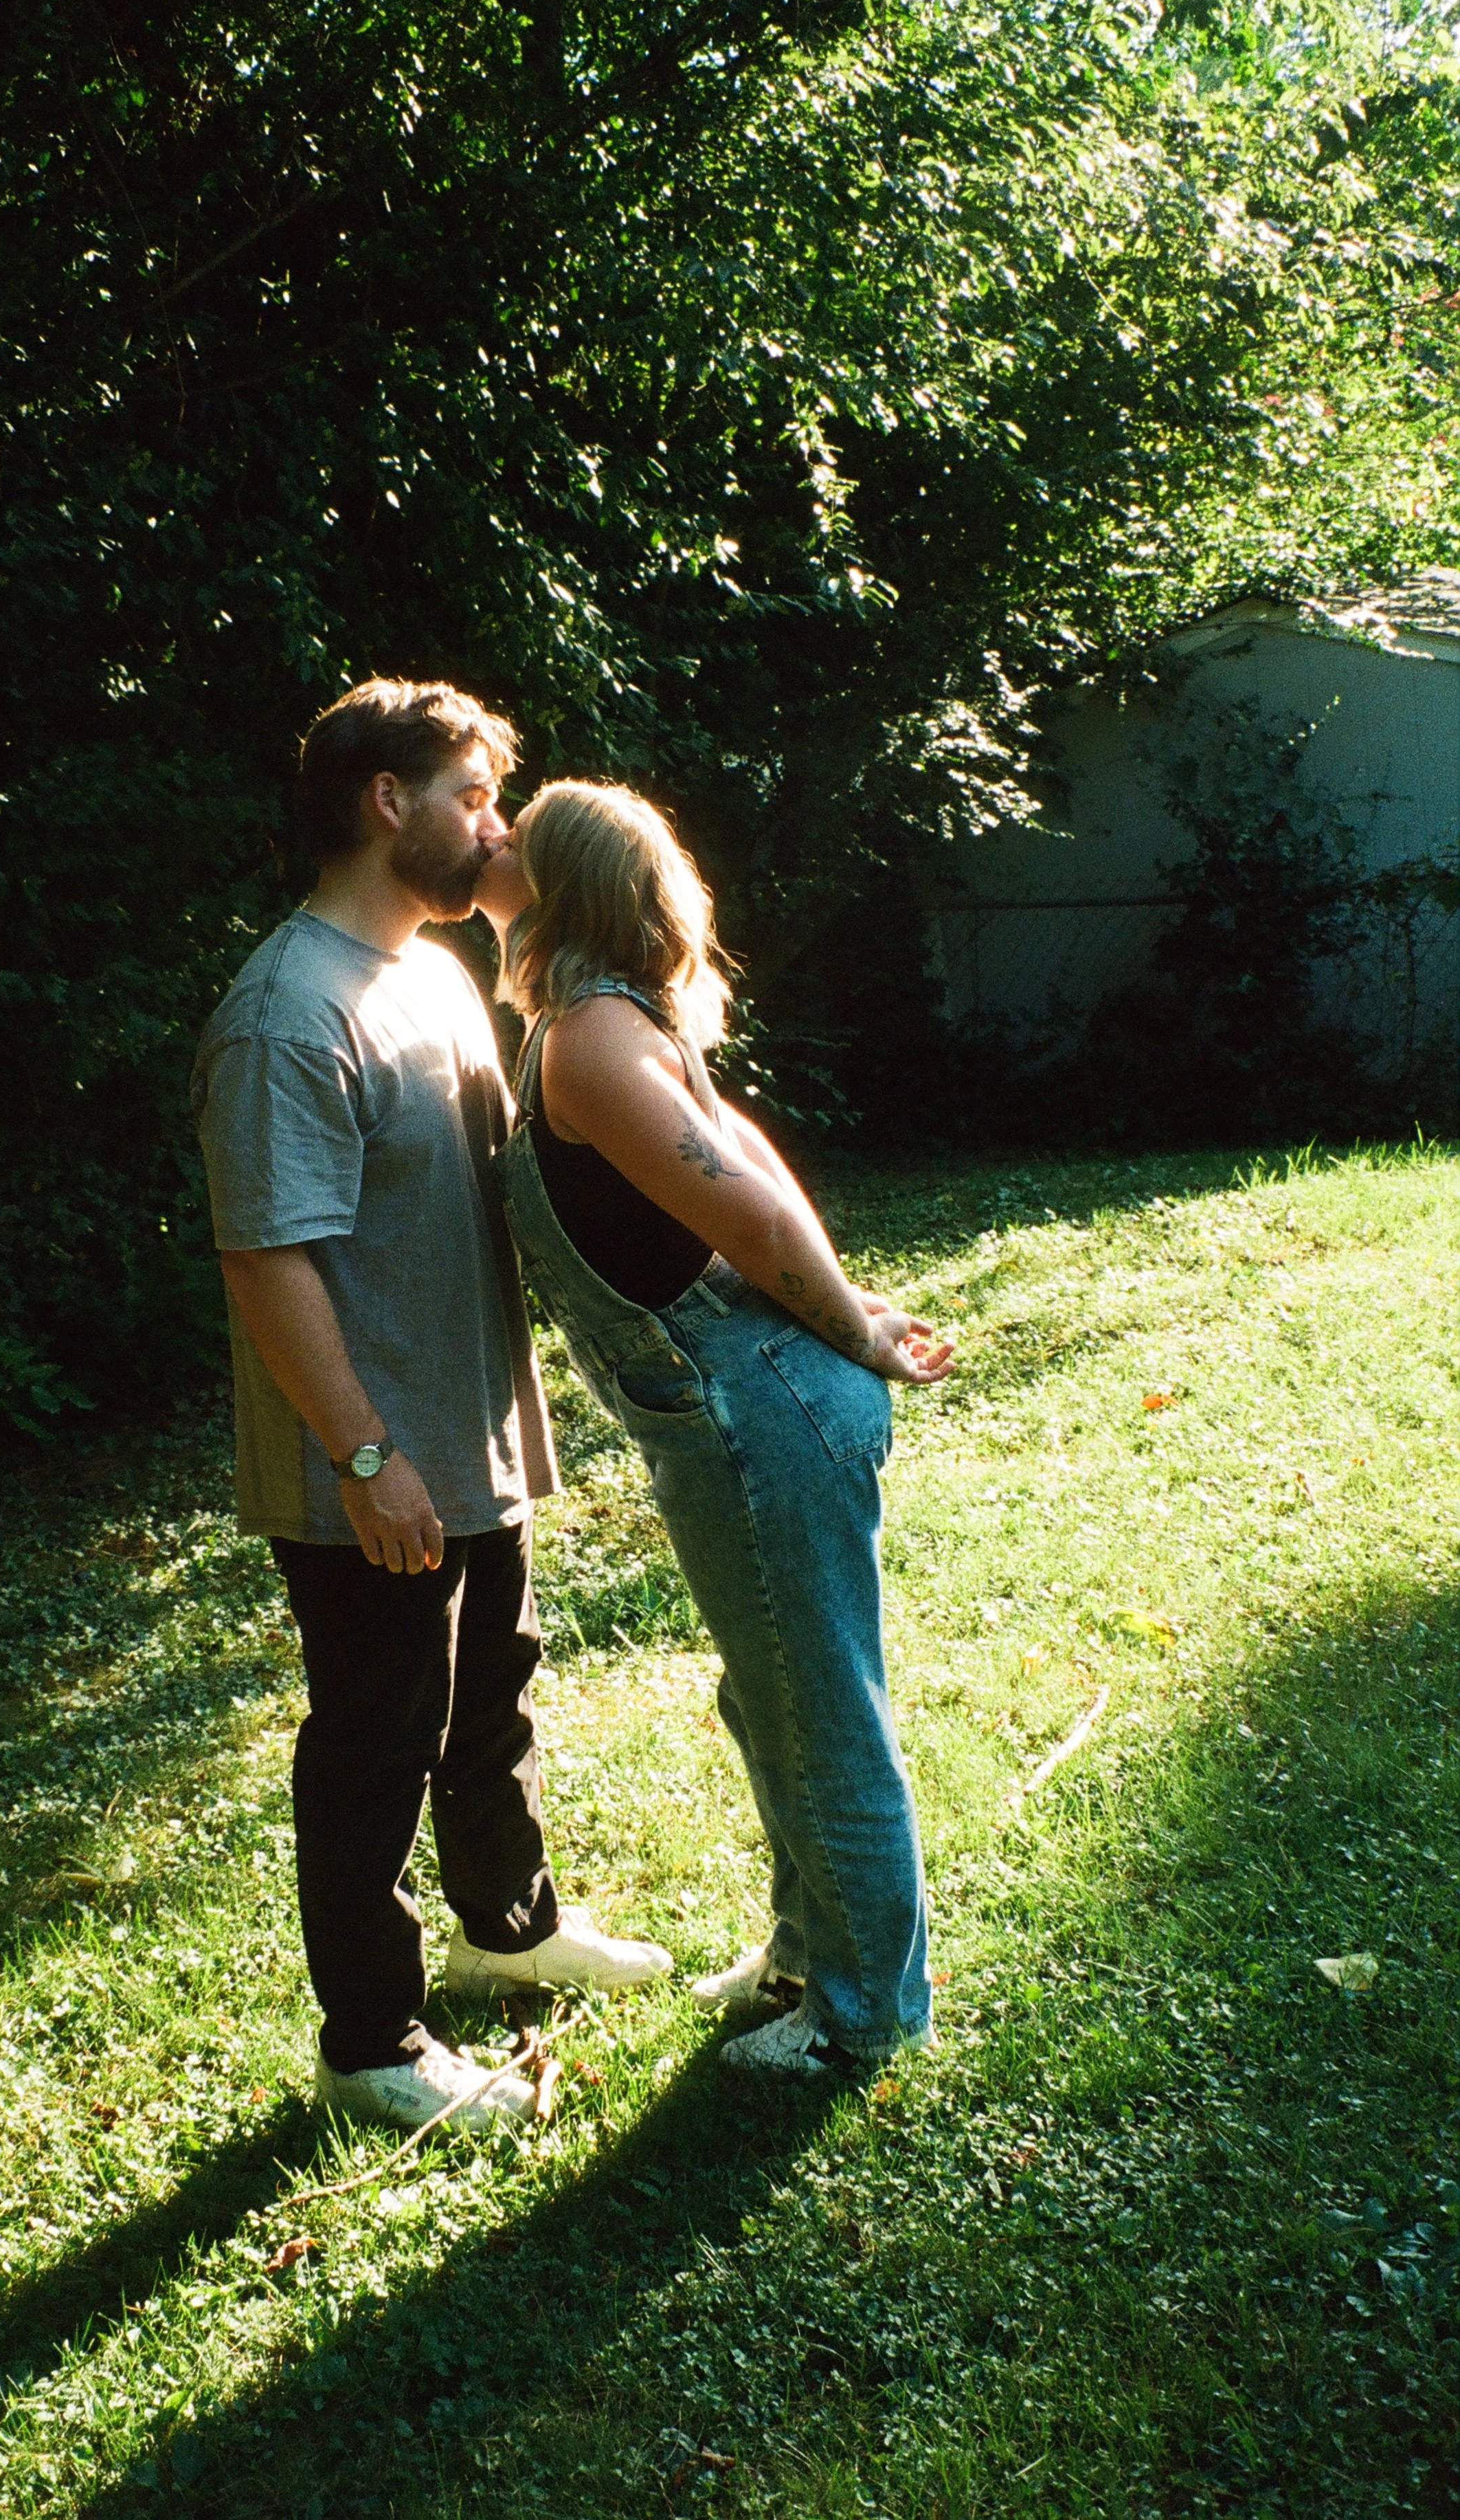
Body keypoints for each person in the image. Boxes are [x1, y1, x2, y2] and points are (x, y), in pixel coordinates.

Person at [191, 686, 670, 2135]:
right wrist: (365, 1454)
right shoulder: (288, 1014)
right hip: (370, 1466)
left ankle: (505, 1927)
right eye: (470, 793)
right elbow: (265, 1259)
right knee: (373, 1737)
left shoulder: (435, 975)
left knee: (488, 1696)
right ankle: (372, 2045)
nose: (497, 825)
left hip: (465, 1438)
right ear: (380, 799)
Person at [479, 781, 953, 2078]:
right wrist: (844, 1303)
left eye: (513, 832)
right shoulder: (610, 1023)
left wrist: (848, 1323)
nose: (489, 840)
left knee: (818, 1708)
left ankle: (863, 2014)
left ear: (560, 881)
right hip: (734, 1414)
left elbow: (742, 1203)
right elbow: (752, 1162)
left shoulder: (589, 1036)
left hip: (760, 1411)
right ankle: (813, 1944)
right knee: (774, 1700)